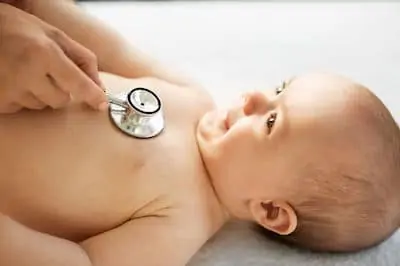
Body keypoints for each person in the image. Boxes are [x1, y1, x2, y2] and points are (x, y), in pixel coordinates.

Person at [0, 1, 399, 266]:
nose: (253, 97)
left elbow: (81, 262)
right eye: (278, 88)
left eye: (272, 122)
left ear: (271, 211)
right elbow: (104, 45)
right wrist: (39, 8)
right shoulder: (190, 96)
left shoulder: (181, 223)